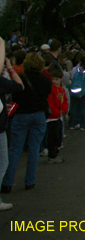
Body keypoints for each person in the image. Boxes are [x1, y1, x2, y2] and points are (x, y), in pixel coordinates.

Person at [1, 52, 51, 192]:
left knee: (15, 149)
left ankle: (7, 182)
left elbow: (15, 96)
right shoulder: (45, 80)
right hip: (39, 114)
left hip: (21, 114)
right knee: (34, 149)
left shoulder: (21, 79)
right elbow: (46, 94)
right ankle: (30, 181)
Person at [0, 55, 24, 209]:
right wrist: (9, 67)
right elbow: (20, 85)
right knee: (3, 163)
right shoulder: (1, 82)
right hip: (0, 127)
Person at [46, 68, 69, 164]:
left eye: (56, 79)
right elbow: (50, 104)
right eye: (53, 79)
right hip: (52, 118)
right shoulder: (51, 90)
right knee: (53, 137)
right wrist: (57, 112)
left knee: (58, 136)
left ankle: (55, 152)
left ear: (61, 79)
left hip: (59, 116)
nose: (54, 81)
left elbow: (65, 102)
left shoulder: (62, 90)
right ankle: (52, 155)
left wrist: (63, 111)